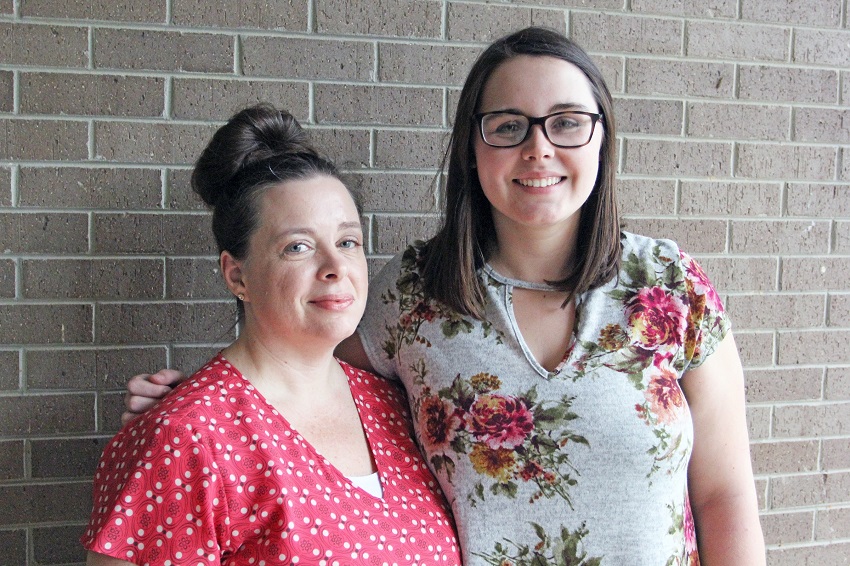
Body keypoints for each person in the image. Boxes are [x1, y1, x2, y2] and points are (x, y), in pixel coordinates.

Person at [123, 28, 765, 565]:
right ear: (472, 146)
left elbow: (724, 496)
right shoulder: (413, 295)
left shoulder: (670, 286)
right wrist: (195, 412)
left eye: (567, 123)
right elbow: (300, 375)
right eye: (508, 125)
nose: (538, 147)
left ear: (601, 137)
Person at [82, 104, 461, 565]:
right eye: (297, 247)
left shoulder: (394, 406)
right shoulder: (186, 439)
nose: (335, 268)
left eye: (347, 242)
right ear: (237, 275)